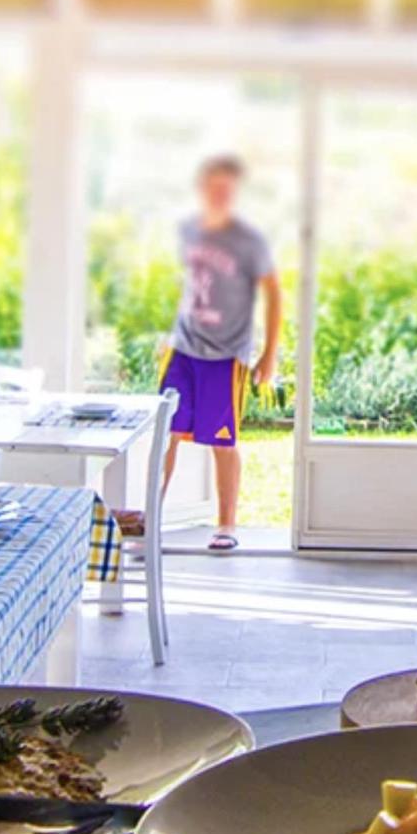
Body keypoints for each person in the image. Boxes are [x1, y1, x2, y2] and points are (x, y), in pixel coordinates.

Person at [158, 154, 282, 552]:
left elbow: (273, 292)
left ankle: (226, 524)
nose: (220, 193)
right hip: (183, 349)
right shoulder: (188, 229)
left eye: (228, 187)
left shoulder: (249, 240)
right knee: (166, 433)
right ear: (202, 186)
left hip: (226, 356)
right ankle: (150, 516)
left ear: (235, 191)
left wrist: (269, 354)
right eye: (214, 185)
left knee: (223, 441)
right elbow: (193, 284)